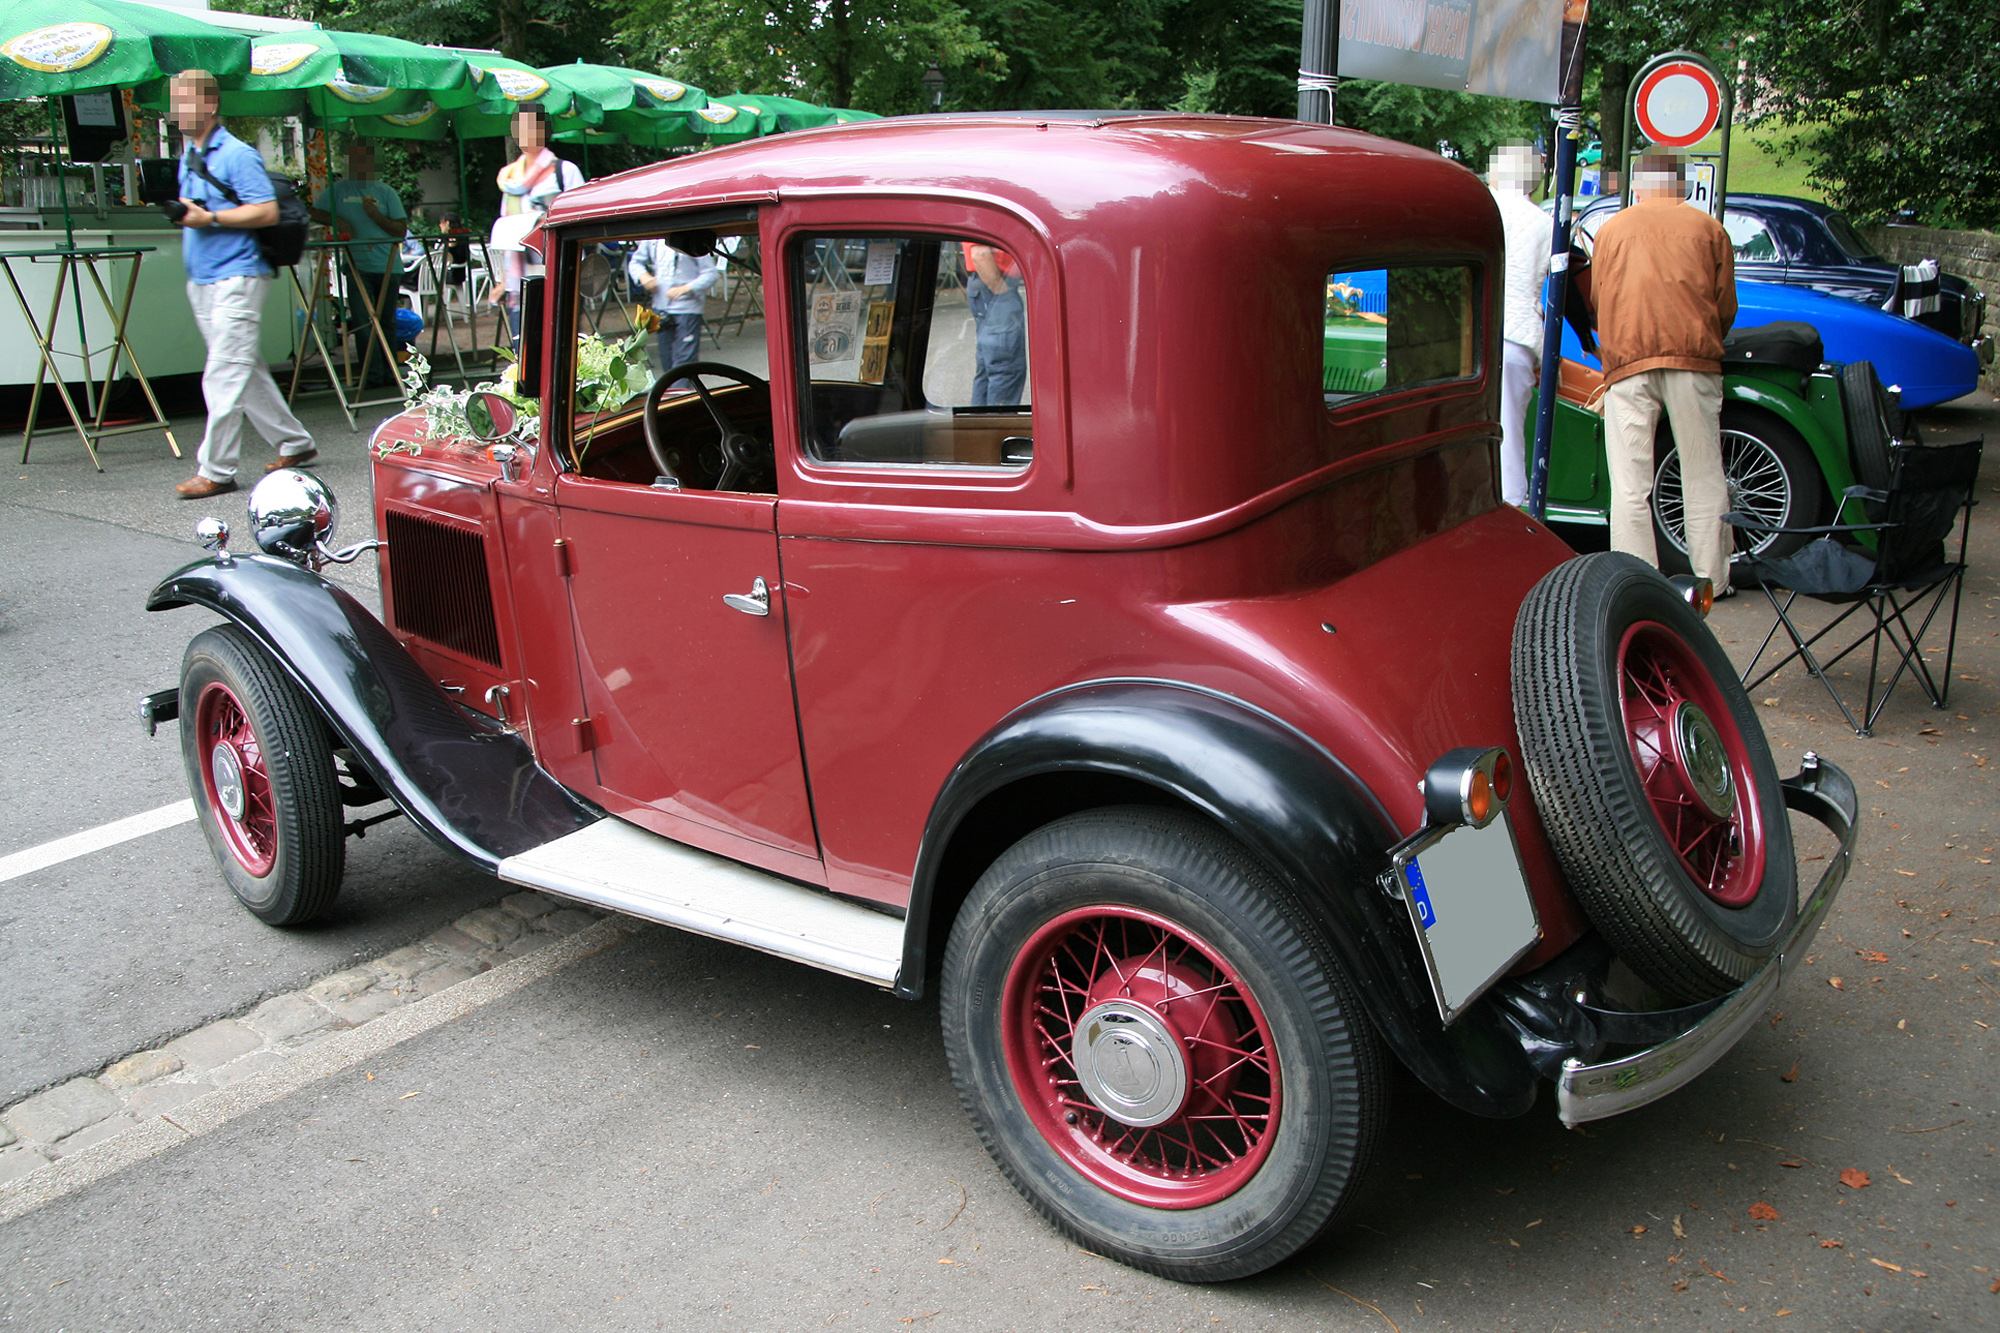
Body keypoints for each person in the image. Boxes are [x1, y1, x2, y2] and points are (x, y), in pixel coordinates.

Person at [1589, 151, 1738, 592]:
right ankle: (1712, 580)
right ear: (1682, 185)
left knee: (1630, 484)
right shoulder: (1710, 230)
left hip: (1628, 363)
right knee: (1703, 473)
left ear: (1637, 185)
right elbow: (1724, 305)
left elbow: (1599, 301)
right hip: (1694, 360)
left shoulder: (1610, 231)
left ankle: (1639, 582)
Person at [167, 69, 317, 498]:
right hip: (204, 278)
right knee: (242, 370)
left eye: (185, 100)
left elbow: (266, 211)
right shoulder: (189, 155)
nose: (177, 109)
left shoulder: (236, 154)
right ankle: (296, 442)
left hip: (239, 275)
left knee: (222, 374)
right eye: (175, 100)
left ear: (209, 104)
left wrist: (209, 217)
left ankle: (216, 468)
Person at [309, 141, 407, 388]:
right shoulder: (338, 190)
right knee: (364, 322)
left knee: (386, 321)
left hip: (387, 265)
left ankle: (389, 373)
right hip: (356, 265)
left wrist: (376, 216)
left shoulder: (386, 192)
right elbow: (314, 212)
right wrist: (338, 221)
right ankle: (370, 377)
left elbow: (400, 230)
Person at [1488, 143, 1552, 507]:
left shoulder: (1484, 209)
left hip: (1477, 335)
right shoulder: (1544, 223)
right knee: (1511, 435)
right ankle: (1512, 507)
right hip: (1519, 336)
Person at [492, 104, 583, 341]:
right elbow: (506, 227)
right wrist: (504, 281)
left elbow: (581, 216)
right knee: (522, 349)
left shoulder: (564, 171)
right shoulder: (509, 178)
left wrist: (546, 220)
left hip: (559, 271)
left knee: (558, 342)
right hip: (520, 277)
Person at [628, 235, 719, 378]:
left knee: (684, 365)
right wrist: (644, 276)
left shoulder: (693, 238)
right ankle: (673, 395)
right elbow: (635, 263)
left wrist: (686, 288)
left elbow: (711, 274)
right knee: (667, 363)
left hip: (687, 309)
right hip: (661, 308)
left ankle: (681, 395)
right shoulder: (653, 239)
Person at [962, 242, 1026, 406]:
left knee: (988, 367)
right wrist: (1001, 292)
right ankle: (999, 427)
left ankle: (981, 426)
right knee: (1005, 368)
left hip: (987, 286)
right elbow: (980, 254)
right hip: (993, 286)